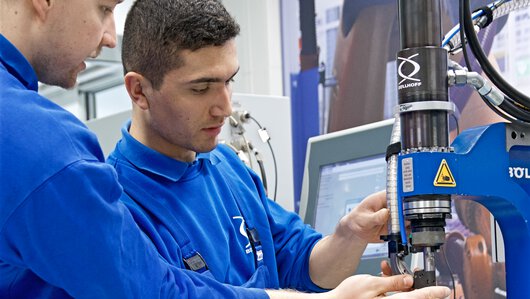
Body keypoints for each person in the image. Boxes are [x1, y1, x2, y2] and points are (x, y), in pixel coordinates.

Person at [0, 0, 449, 298]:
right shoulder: (113, 196)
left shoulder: (225, 167)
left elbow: (295, 259)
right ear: (139, 92)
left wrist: (347, 237)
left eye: (229, 80)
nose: (225, 106)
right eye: (200, 88)